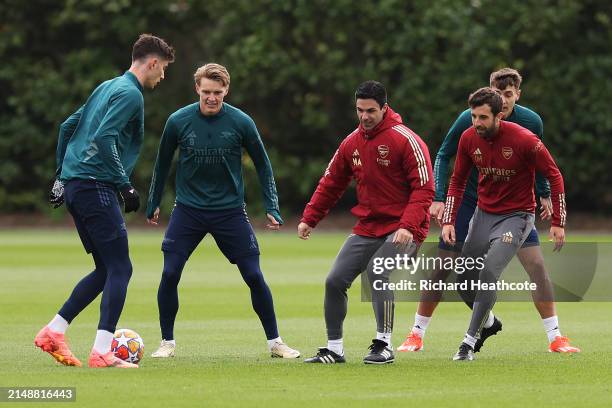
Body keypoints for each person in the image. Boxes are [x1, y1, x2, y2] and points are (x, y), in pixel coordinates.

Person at [398, 68, 580, 354]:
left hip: (516, 208)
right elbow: (446, 156)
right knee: (445, 265)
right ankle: (417, 333)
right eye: (497, 92)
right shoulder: (469, 123)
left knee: (535, 266)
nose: (502, 99)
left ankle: (555, 336)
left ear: (516, 96)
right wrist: (439, 198)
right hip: (474, 202)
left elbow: (543, 165)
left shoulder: (529, 125)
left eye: (507, 95)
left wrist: (545, 196)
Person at [35, 34, 175, 368]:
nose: (163, 76)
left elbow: (68, 126)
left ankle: (54, 332)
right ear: (153, 62)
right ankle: (101, 351)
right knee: (121, 267)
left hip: (77, 186)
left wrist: (61, 175)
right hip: (96, 186)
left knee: (106, 269)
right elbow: (104, 136)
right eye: (164, 69)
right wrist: (124, 185)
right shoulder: (131, 94)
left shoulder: (107, 86)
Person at [146, 63, 299, 359]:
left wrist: (272, 205)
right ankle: (167, 342)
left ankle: (275, 343)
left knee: (254, 275)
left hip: (230, 212)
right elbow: (162, 162)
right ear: (197, 89)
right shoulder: (178, 121)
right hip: (188, 210)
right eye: (206, 92)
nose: (212, 98)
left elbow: (263, 164)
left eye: (217, 92)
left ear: (226, 91)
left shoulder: (241, 122)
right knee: (170, 272)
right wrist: (153, 202)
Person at [299, 80, 434, 364]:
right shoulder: (351, 142)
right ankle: (335, 349)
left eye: (371, 110)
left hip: (405, 229)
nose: (364, 116)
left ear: (385, 108)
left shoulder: (405, 139)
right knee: (335, 281)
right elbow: (331, 182)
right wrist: (310, 218)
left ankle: (383, 345)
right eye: (359, 110)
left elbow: (424, 189)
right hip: (369, 226)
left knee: (377, 273)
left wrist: (407, 226)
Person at [441, 87, 568, 361]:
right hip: (483, 215)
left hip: (517, 217)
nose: (476, 123)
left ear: (499, 115)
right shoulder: (468, 138)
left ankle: (467, 342)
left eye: (483, 117)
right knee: (464, 281)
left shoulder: (524, 139)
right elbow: (457, 181)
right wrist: (449, 220)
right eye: (474, 116)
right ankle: (488, 324)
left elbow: (554, 175)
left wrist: (558, 221)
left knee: (488, 272)